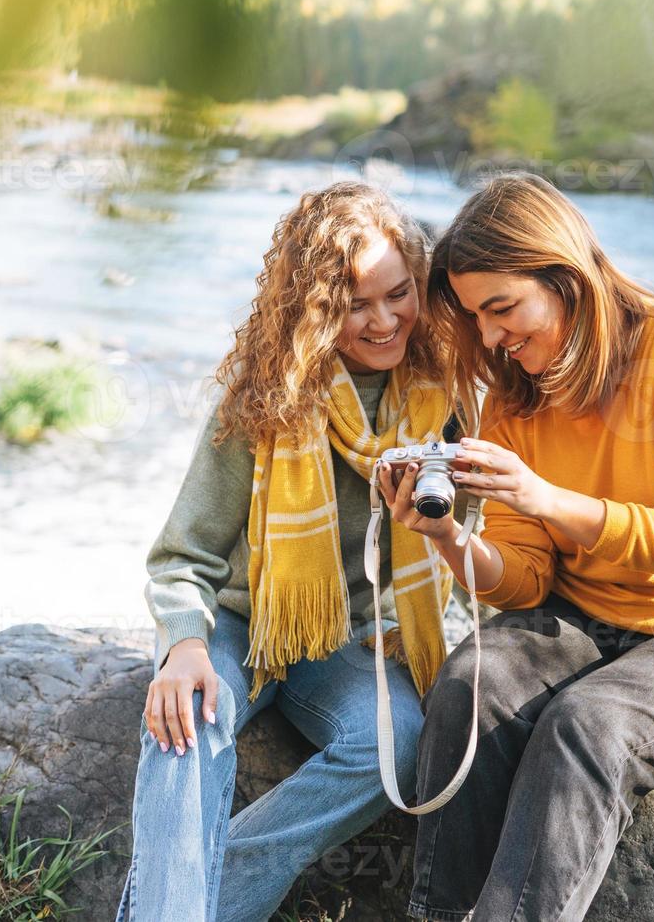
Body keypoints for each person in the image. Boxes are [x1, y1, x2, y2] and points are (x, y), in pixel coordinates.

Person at [378, 172, 654, 922]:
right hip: (587, 618)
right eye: (477, 318)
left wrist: (541, 496)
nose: (492, 337)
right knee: (471, 682)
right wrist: (446, 536)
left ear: (566, 276)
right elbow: (526, 580)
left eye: (502, 308)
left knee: (588, 723)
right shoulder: (514, 394)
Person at [117, 182, 458, 922]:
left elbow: (476, 544)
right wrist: (182, 645)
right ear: (314, 311)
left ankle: (201, 900)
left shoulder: (443, 396)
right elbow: (183, 555)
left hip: (351, 641)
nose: (384, 320)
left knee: (395, 742)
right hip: (244, 625)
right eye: (353, 305)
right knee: (187, 726)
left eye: (399, 294)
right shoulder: (264, 399)